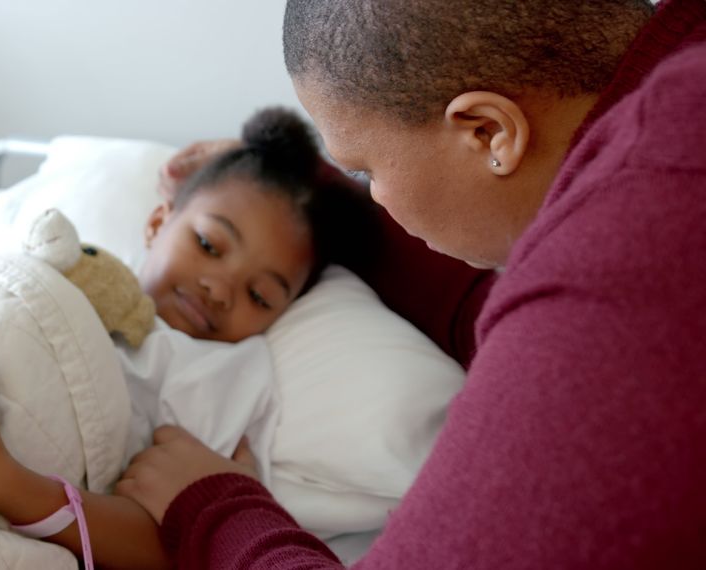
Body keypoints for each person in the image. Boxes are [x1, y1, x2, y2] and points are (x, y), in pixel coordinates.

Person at [112, 0, 706, 568]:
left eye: (363, 169)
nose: (373, 194)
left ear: (488, 132)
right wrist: (309, 197)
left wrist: (215, 507)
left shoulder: (610, 286)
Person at [0, 108, 373, 568]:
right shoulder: (67, 260)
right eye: (209, 244)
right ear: (157, 222)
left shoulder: (225, 377)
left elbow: (178, 540)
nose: (218, 288)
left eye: (259, 296)